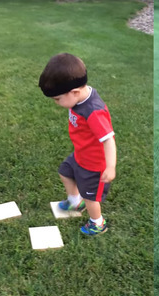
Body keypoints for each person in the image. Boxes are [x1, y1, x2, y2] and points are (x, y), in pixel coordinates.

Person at [39, 53, 116, 236]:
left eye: (57, 99)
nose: (56, 103)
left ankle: (97, 223)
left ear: (74, 92)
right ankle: (75, 202)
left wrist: (110, 166)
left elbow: (108, 139)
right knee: (64, 172)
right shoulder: (78, 97)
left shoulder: (93, 112)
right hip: (80, 155)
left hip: (94, 164)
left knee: (90, 197)